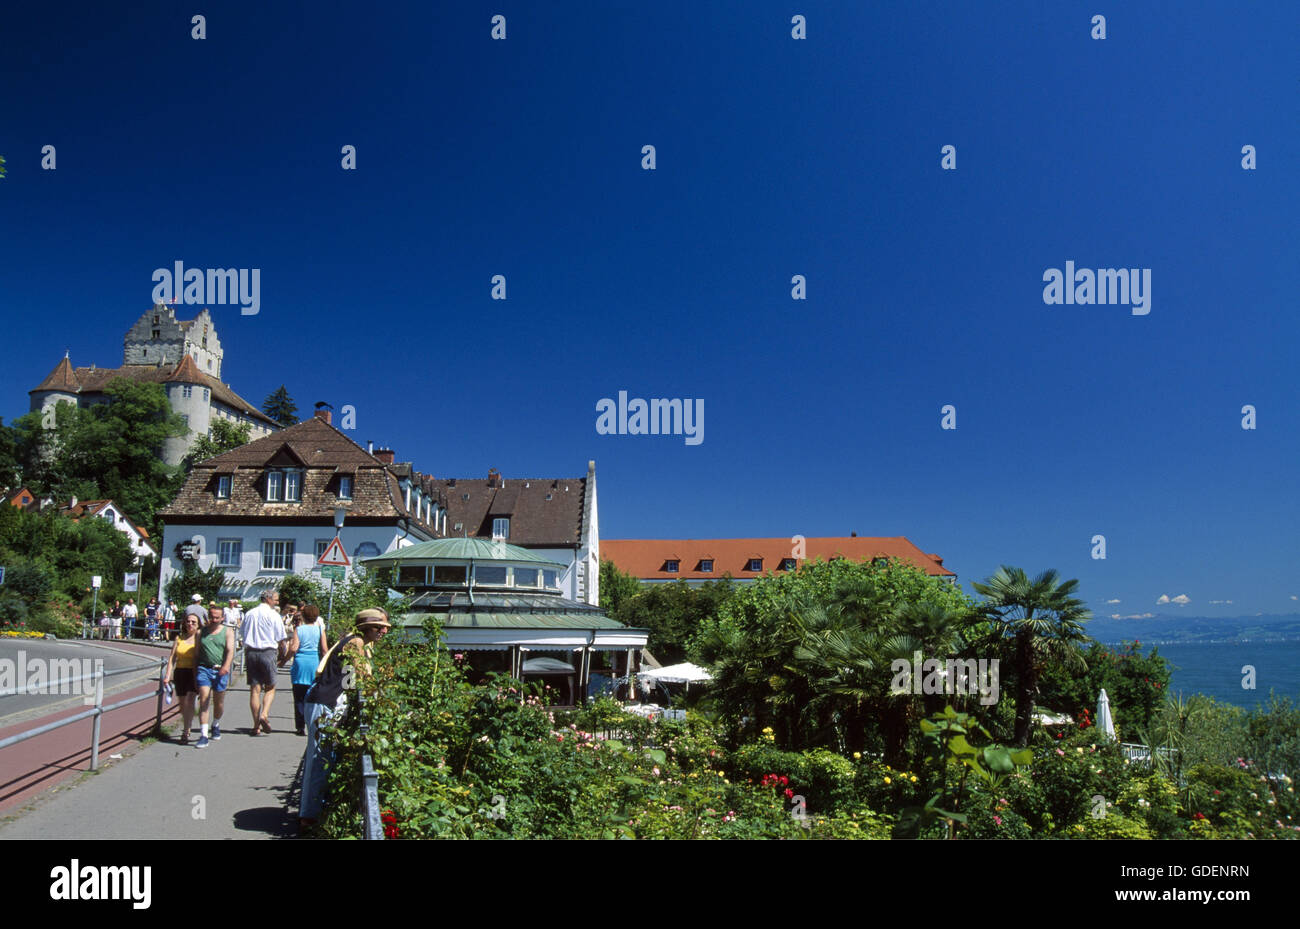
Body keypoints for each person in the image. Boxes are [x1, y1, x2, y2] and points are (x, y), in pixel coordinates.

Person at [298, 608, 390, 829]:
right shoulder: (355, 643)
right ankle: (308, 817)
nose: (383, 631)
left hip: (325, 702)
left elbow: (349, 679)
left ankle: (312, 812)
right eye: (379, 627)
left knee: (323, 756)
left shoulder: (355, 641)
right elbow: (361, 676)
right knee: (320, 758)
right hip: (325, 704)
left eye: (385, 627)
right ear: (366, 628)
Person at [240, 589, 288, 735]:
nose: (277, 602)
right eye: (276, 599)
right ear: (268, 599)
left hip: (251, 652)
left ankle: (256, 726)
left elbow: (242, 633)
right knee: (270, 687)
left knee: (255, 690)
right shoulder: (274, 615)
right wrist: (282, 655)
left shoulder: (249, 614)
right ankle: (264, 714)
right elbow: (281, 638)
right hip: (268, 652)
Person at [195, 603, 235, 748]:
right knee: (204, 699)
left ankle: (215, 724)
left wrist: (226, 666)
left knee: (218, 702)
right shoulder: (201, 632)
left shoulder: (228, 631)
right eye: (211, 617)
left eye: (217, 617)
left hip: (220, 670)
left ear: (222, 618)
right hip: (204, 669)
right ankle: (203, 735)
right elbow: (196, 654)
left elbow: (230, 651)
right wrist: (195, 671)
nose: (213, 619)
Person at [286, 605, 328, 735]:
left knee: (298, 696)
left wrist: (283, 660)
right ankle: (312, 723)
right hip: (313, 663)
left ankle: (300, 726)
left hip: (300, 663)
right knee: (312, 695)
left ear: (303, 616)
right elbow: (324, 649)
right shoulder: (320, 629)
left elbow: (293, 648)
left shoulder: (299, 629)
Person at [163, 612, 201, 745]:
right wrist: (168, 675)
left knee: (190, 700)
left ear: (198, 625)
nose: (190, 624)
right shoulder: (179, 638)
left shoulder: (199, 638)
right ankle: (187, 723)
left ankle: (186, 731)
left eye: (193, 622)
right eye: (188, 621)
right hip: (180, 672)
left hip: (193, 672)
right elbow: (172, 657)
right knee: (182, 704)